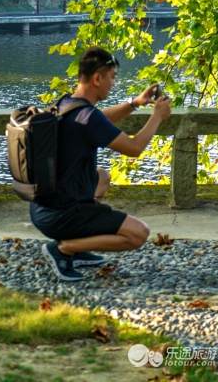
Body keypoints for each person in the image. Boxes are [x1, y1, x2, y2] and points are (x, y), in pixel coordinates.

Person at [32, 46, 172, 281]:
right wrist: (157, 116)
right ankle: (64, 249)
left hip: (43, 207)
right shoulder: (88, 117)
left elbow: (101, 120)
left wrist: (135, 103)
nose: (113, 84)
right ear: (97, 78)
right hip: (62, 215)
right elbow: (134, 148)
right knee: (139, 234)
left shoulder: (67, 103)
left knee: (102, 176)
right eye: (112, 78)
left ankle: (78, 243)